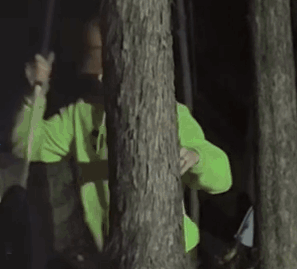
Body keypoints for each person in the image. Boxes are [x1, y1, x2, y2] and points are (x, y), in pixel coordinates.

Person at [12, 19, 233, 255]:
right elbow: (26, 145)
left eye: (106, 71)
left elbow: (222, 179)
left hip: (172, 251)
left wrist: (196, 157)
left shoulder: (165, 111)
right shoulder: (80, 114)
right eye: (96, 71)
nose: (98, 78)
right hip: (114, 254)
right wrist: (34, 95)